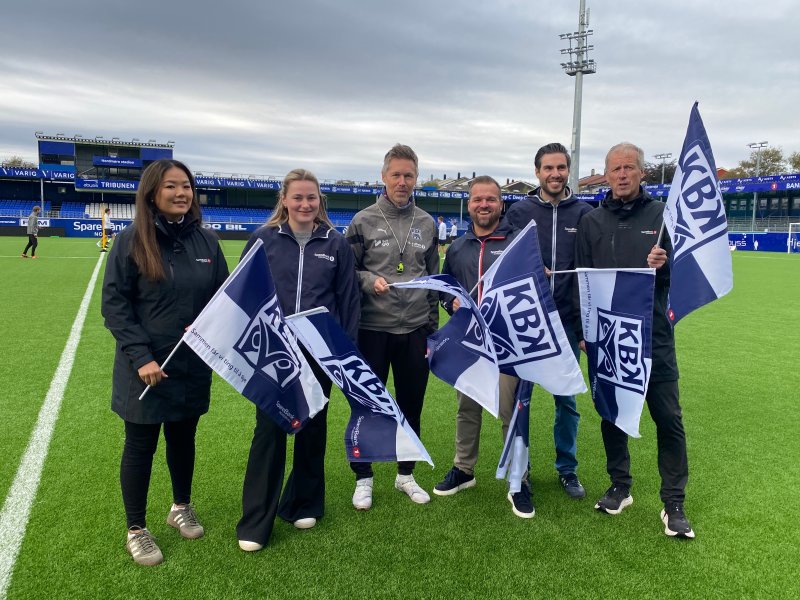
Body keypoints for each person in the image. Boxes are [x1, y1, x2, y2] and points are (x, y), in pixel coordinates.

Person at [102, 159, 230, 566]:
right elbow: (115, 306)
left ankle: (180, 507)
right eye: (172, 186)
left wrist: (210, 323)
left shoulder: (207, 242)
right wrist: (142, 357)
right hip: (145, 369)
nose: (181, 193)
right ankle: (136, 529)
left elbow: (222, 299)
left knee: (183, 438)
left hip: (190, 365)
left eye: (187, 186)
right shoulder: (130, 241)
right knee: (140, 446)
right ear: (152, 193)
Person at [574, 142, 694, 539]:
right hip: (608, 338)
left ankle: (673, 502)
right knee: (612, 413)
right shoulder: (591, 221)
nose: (622, 174)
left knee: (668, 418)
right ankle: (620, 486)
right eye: (615, 169)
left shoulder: (663, 216)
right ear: (606, 175)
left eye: (629, 167)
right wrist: (585, 333)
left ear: (642, 172)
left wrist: (665, 266)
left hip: (654, 336)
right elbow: (582, 281)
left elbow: (682, 280)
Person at [236, 169, 360, 552]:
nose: (306, 204)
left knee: (312, 428)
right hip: (273, 352)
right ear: (284, 200)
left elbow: (348, 302)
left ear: (320, 201)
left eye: (312, 198)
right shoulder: (262, 239)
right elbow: (241, 290)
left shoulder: (336, 244)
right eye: (298, 198)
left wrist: (344, 354)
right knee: (269, 432)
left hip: (320, 352)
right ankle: (257, 521)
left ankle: (304, 502)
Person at [345, 143, 439, 510]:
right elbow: (347, 273)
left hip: (414, 330)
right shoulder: (363, 220)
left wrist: (430, 329)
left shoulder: (427, 223)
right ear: (383, 176)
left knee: (411, 406)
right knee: (366, 405)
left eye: (409, 175)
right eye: (396, 174)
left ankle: (405, 475)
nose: (402, 181)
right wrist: (369, 280)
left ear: (417, 179)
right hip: (372, 330)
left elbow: (433, 278)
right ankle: (363, 477)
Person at [431, 176, 531, 517]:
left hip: (507, 345)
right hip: (469, 345)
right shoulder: (458, 248)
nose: (484, 205)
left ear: (501, 204)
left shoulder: (517, 242)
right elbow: (446, 289)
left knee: (510, 413)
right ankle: (464, 469)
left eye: (491, 199)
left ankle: (518, 479)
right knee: (467, 409)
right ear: (470, 204)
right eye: (478, 200)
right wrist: (451, 305)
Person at [504, 142, 592, 499]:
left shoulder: (584, 213)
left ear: (568, 170)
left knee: (566, 400)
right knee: (520, 401)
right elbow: (503, 256)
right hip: (527, 322)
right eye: (548, 168)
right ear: (537, 172)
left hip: (567, 324)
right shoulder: (519, 212)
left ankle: (567, 469)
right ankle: (520, 469)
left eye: (561, 168)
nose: (555, 174)